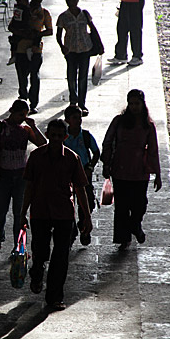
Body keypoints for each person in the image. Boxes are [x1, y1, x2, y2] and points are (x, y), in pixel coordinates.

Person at [20, 119, 92, 310]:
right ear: (48, 135)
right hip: (40, 211)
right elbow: (29, 186)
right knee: (40, 251)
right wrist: (22, 213)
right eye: (53, 135)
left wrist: (87, 217)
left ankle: (54, 297)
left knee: (61, 257)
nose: (56, 139)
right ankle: (36, 273)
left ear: (65, 137)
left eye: (60, 136)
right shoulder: (36, 156)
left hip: (64, 214)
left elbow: (80, 189)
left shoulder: (72, 158)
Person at [101, 89, 161, 250]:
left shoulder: (148, 125)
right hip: (120, 170)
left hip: (140, 171)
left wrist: (158, 174)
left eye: (137, 103)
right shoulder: (119, 121)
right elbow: (107, 142)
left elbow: (154, 150)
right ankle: (123, 237)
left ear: (143, 104)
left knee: (140, 204)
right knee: (121, 206)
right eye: (131, 104)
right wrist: (106, 163)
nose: (134, 107)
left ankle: (135, 226)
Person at [0, 99, 46, 252]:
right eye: (21, 115)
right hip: (2, 176)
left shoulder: (25, 130)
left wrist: (33, 126)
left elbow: (42, 144)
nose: (22, 118)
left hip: (21, 176)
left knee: (20, 212)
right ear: (12, 111)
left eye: (25, 115)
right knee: (1, 209)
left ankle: (18, 244)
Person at [8, 0, 53, 114]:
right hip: (21, 47)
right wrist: (23, 34)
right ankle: (23, 97)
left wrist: (37, 34)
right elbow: (12, 26)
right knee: (22, 76)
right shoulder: (21, 10)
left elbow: (50, 31)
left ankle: (33, 103)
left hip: (36, 49)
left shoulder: (44, 13)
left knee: (35, 75)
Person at [56, 0, 99, 116]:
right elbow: (59, 34)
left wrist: (98, 43)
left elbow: (92, 28)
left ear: (77, 0)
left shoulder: (84, 14)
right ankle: (73, 100)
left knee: (83, 77)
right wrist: (62, 47)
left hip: (85, 49)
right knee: (71, 76)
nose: (71, 2)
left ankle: (82, 103)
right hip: (71, 50)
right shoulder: (63, 17)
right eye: (68, 0)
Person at [64, 105, 100, 246]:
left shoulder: (85, 135)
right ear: (68, 120)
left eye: (79, 118)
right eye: (74, 118)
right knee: (68, 203)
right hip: (67, 173)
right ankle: (71, 232)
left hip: (84, 172)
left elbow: (96, 152)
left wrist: (90, 167)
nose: (78, 121)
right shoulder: (63, 136)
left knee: (87, 201)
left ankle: (84, 225)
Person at [7, 0, 32, 66]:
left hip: (22, 29)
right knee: (15, 42)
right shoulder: (21, 9)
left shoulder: (19, 9)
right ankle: (14, 55)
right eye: (25, 0)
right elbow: (17, 21)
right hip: (21, 29)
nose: (27, 2)